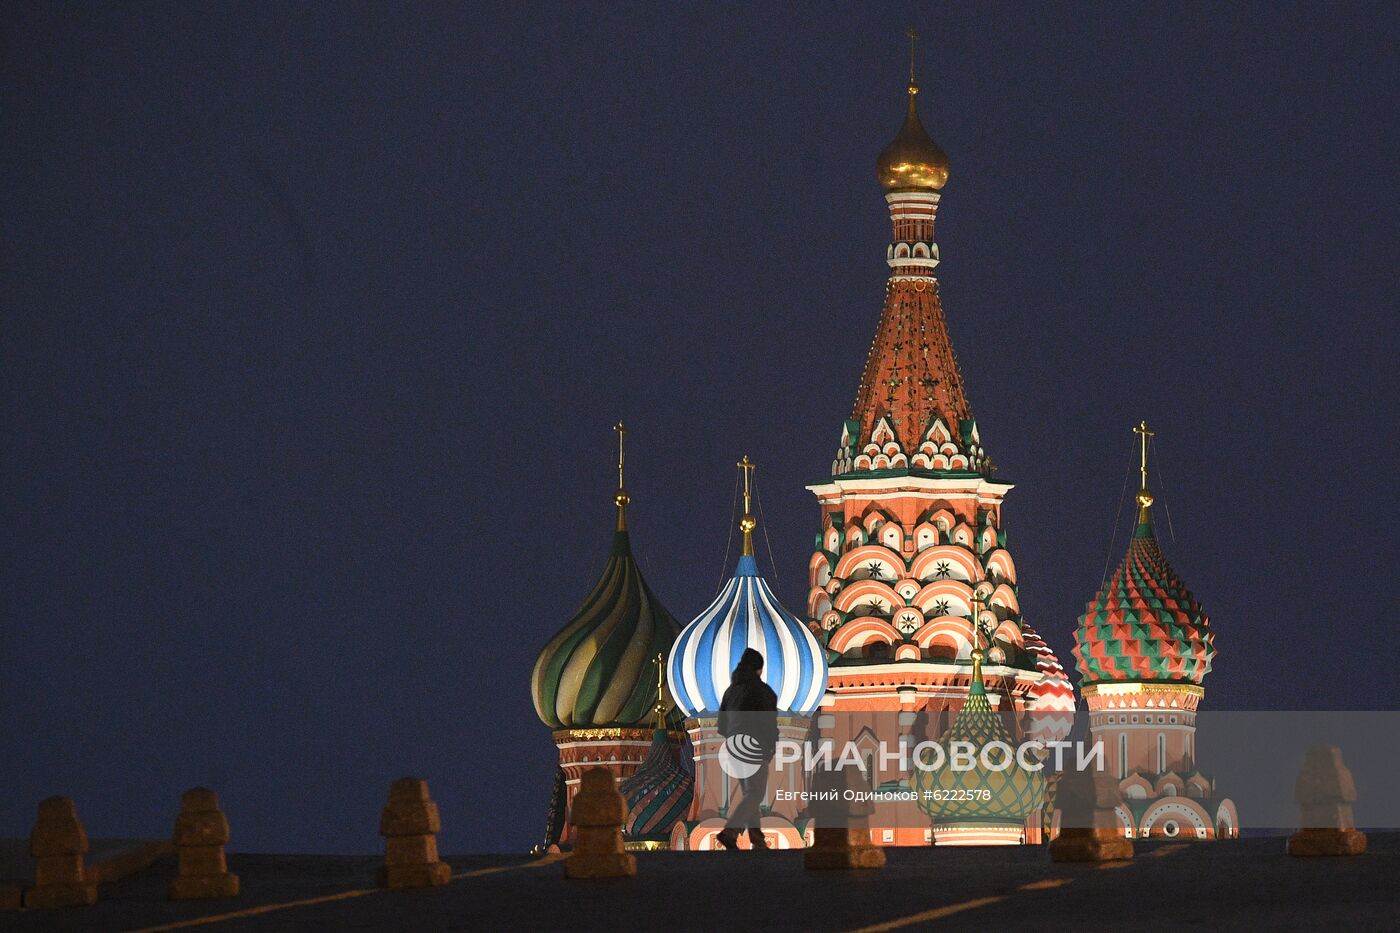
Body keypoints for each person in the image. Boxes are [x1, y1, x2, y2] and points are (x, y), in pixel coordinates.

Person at [715, 648, 778, 851]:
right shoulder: (762, 691)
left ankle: (757, 839)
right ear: (759, 669)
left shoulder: (730, 691)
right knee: (754, 794)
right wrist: (769, 748)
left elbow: (721, 726)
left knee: (750, 794)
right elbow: (769, 723)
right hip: (755, 745)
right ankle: (730, 832)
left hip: (733, 746)